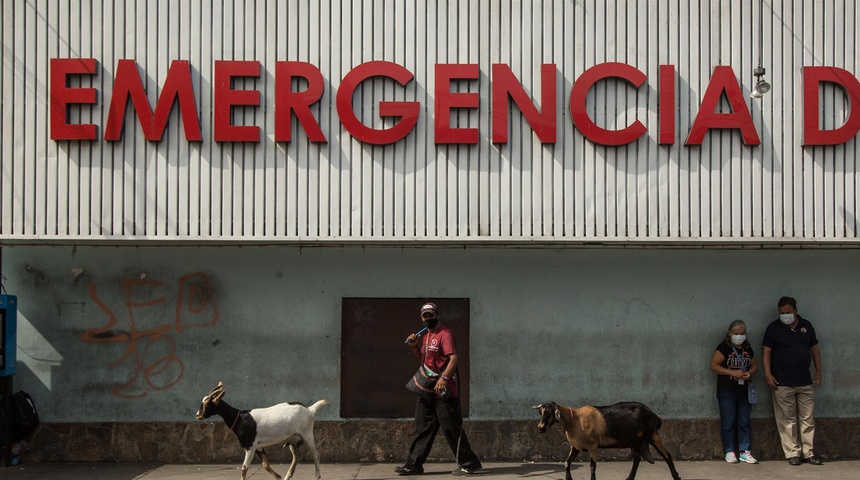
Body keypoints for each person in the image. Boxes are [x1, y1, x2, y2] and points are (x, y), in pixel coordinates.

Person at [395, 302, 482, 476]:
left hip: (444, 389)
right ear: (421, 317)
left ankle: (469, 463)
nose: (428, 318)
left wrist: (444, 378)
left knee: (451, 427)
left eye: (431, 315)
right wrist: (414, 346)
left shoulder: (445, 334)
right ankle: (414, 464)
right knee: (422, 427)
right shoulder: (426, 336)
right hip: (427, 388)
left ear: (437, 315)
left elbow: (453, 359)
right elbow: (424, 360)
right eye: (425, 316)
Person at [761, 296, 824, 466]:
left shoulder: (806, 326)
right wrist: (768, 374)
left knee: (807, 418)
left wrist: (818, 372)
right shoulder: (773, 328)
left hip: (805, 381)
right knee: (787, 419)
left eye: (788, 312)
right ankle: (792, 453)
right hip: (782, 382)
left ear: (796, 311)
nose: (785, 315)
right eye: (782, 313)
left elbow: (815, 349)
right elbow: (766, 352)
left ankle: (808, 452)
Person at [710, 320, 758, 464]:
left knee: (744, 421)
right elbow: (714, 366)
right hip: (727, 390)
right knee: (729, 422)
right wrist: (731, 372)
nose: (739, 336)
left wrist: (749, 373)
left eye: (742, 334)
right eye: (736, 334)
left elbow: (754, 365)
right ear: (730, 333)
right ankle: (729, 451)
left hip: (744, 390)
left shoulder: (747, 348)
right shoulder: (723, 348)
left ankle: (745, 451)